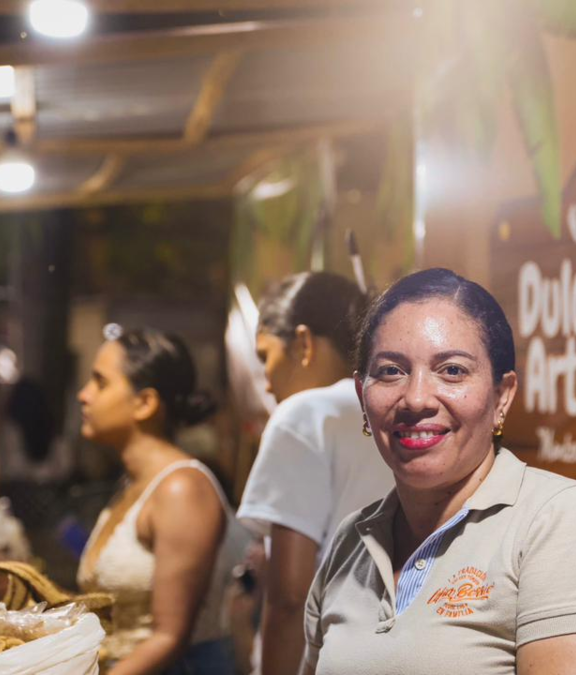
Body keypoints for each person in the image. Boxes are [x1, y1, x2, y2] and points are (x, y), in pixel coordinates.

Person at [302, 268, 576, 675]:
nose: (416, 398)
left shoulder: (567, 524)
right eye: (390, 371)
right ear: (363, 395)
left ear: (502, 396)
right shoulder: (351, 541)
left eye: (452, 370)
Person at [237, 272, 393, 675]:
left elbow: (290, 596)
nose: (266, 381)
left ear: (304, 343)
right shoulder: (398, 410)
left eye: (265, 356)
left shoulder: (302, 415)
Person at [76, 327, 236, 675]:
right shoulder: (132, 485)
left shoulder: (182, 489)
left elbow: (168, 637)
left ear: (145, 403)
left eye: (100, 383)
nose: (83, 395)